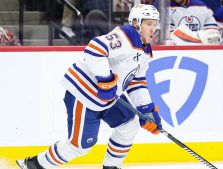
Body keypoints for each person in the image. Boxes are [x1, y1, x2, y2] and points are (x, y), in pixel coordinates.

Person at [16, 4, 162, 169]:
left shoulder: (146, 52)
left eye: (155, 24)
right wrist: (106, 80)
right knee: (79, 147)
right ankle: (33, 164)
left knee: (129, 127)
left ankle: (111, 166)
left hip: (108, 98)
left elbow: (136, 81)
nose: (153, 29)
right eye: (149, 24)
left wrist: (146, 109)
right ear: (136, 23)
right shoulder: (125, 36)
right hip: (84, 94)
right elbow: (94, 49)